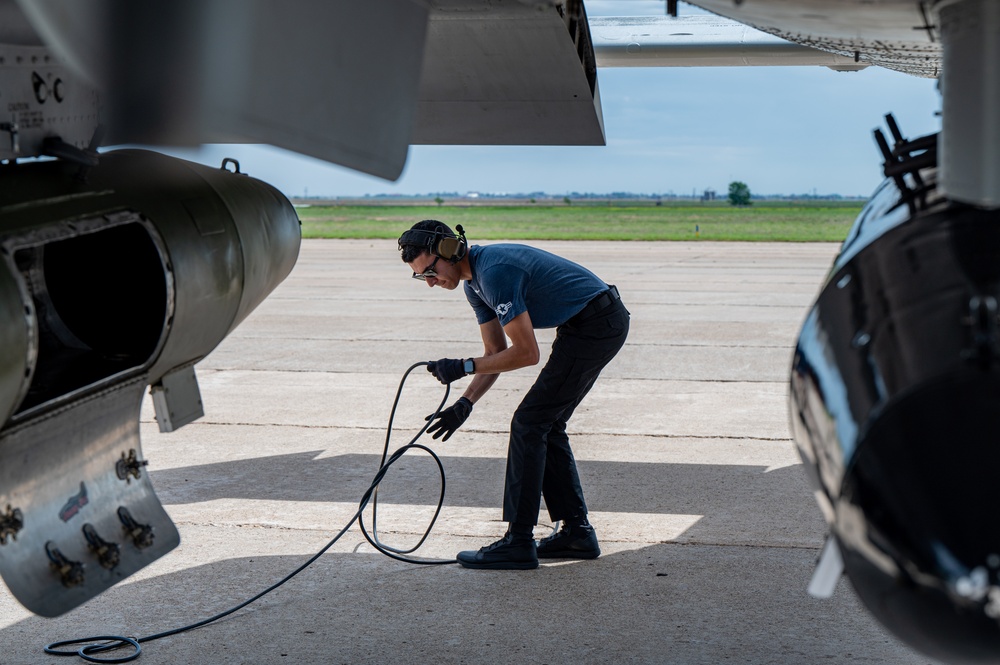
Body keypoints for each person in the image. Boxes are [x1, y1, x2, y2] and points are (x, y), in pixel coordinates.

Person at [398, 220, 629, 570]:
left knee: (530, 422)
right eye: (421, 277)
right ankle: (576, 533)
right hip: (587, 323)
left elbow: (526, 353)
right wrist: (465, 403)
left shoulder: (496, 274)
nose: (430, 282)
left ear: (451, 249)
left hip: (597, 324)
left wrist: (462, 366)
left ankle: (519, 540)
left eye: (430, 270)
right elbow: (494, 352)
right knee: (543, 422)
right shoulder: (473, 285)